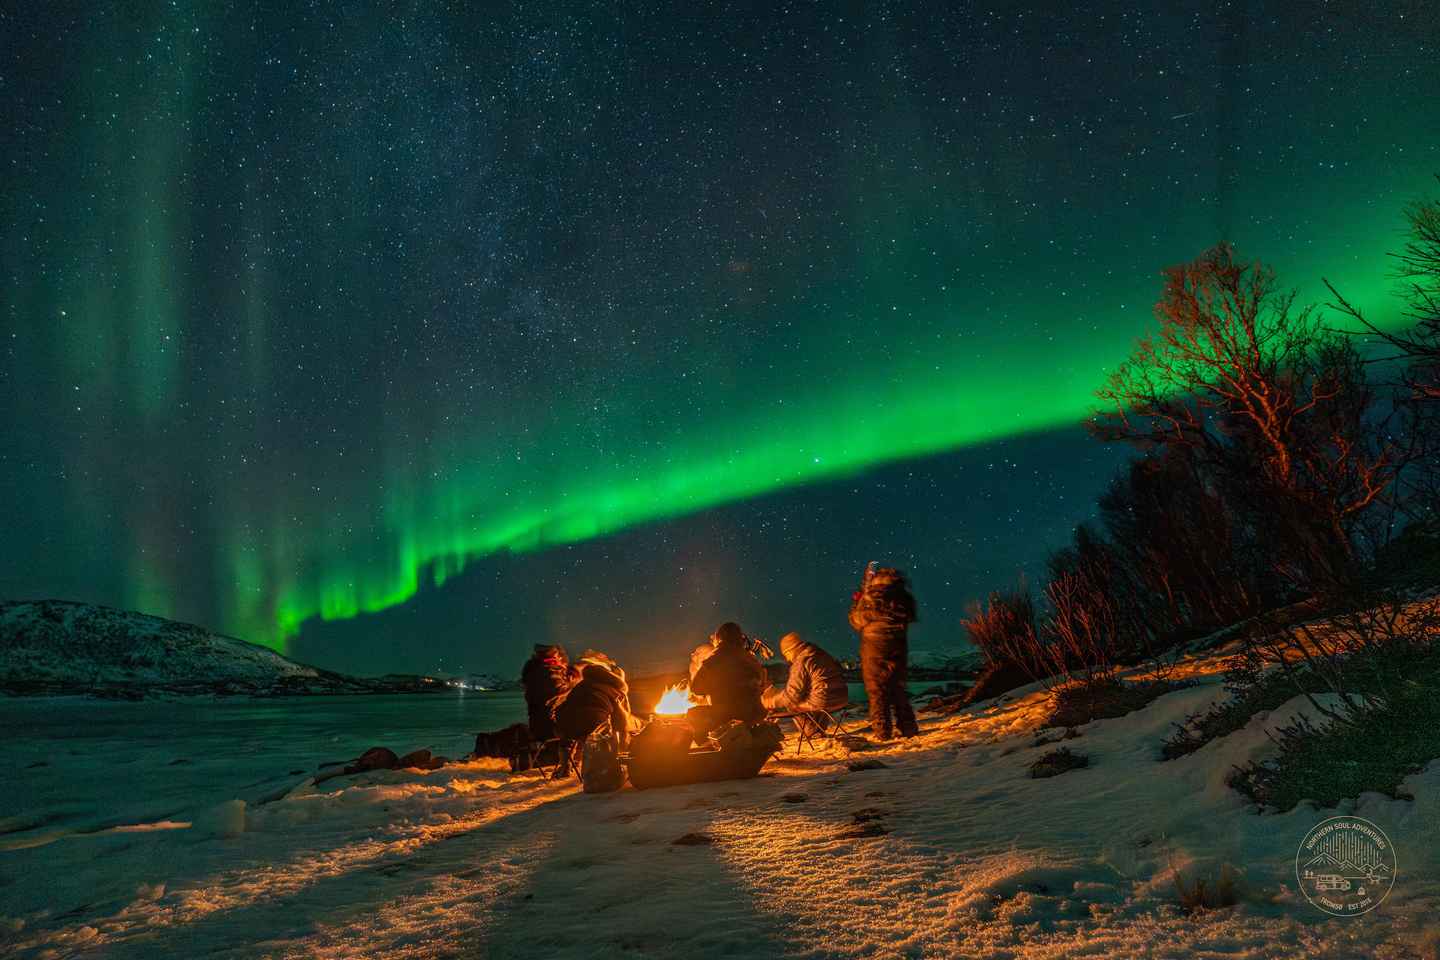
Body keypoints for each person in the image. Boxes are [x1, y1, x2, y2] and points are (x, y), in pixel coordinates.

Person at [849, 565, 919, 740]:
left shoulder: (872, 596)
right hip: (899, 644)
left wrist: (857, 603)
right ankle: (908, 728)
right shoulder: (902, 595)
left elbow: (858, 621)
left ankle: (882, 732)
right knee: (898, 687)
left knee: (877, 690)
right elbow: (910, 616)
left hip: (874, 647)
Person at [687, 622, 768, 739]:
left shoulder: (714, 659)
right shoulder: (750, 658)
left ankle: (713, 749)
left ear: (719, 638)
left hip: (727, 714)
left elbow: (696, 688)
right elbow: (761, 684)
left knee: (693, 715)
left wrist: (713, 687)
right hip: (755, 713)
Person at [762, 632, 848, 737]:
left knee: (792, 705)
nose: (787, 659)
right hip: (842, 696)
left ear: (792, 650)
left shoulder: (801, 661)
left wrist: (768, 702)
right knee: (811, 699)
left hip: (824, 701)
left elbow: (791, 696)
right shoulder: (819, 653)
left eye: (786, 655)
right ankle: (818, 728)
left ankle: (812, 733)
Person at [552, 651, 637, 756]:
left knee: (575, 731)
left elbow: (564, 707)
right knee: (615, 728)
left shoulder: (581, 685)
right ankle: (612, 759)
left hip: (567, 729)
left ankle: (567, 765)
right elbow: (623, 719)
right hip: (595, 730)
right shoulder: (617, 692)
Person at [519, 644, 572, 743]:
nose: (559, 660)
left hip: (539, 723)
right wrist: (575, 682)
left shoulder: (535, 670)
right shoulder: (548, 673)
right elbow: (559, 691)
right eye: (555, 658)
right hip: (549, 725)